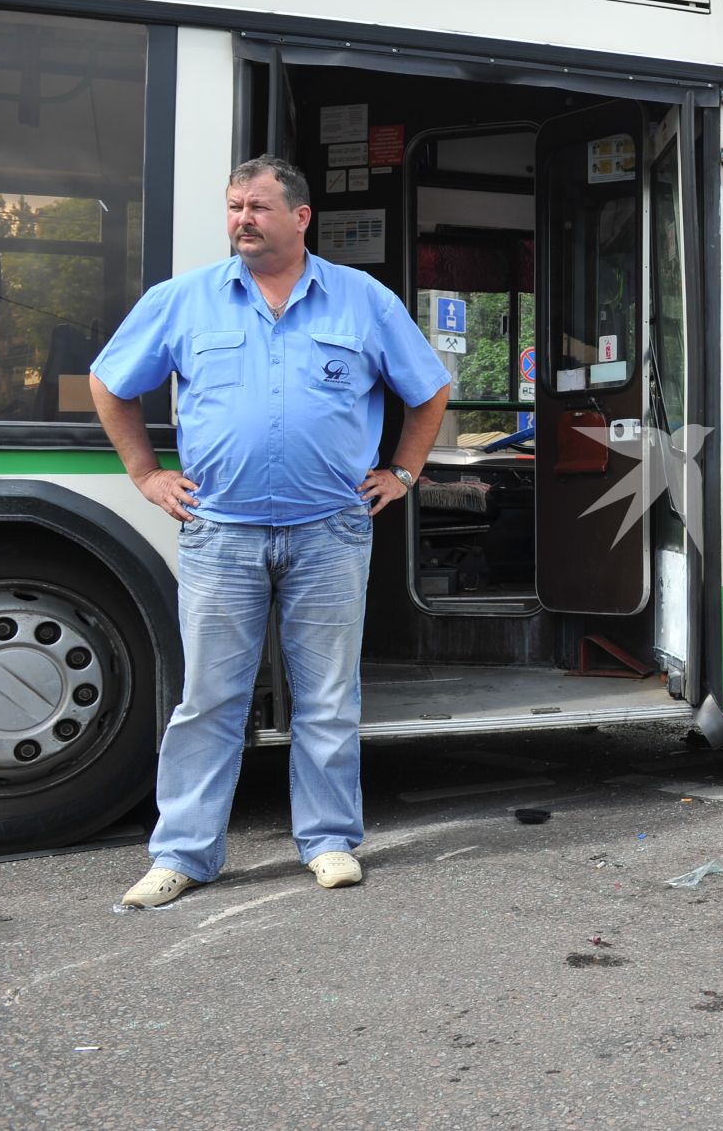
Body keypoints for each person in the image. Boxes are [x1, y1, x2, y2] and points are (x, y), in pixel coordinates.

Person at [91, 155, 451, 907]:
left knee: (327, 697)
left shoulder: (362, 301)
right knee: (209, 700)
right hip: (222, 533)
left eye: (257, 206)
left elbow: (429, 388)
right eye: (233, 207)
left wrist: (404, 473)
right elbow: (111, 380)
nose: (242, 220)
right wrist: (146, 474)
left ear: (300, 217)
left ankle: (328, 842)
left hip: (331, 532)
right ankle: (184, 854)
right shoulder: (184, 300)